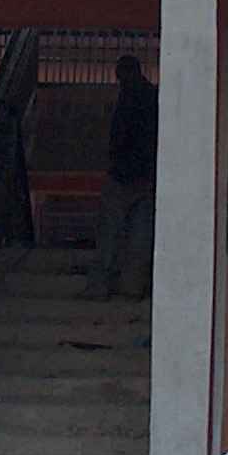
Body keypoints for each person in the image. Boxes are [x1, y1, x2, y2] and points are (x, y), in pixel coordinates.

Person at [87, 53, 159, 301]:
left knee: (109, 233)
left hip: (122, 176)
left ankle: (99, 287)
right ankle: (132, 287)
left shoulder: (128, 98)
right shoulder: (153, 97)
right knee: (140, 236)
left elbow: (119, 137)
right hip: (147, 177)